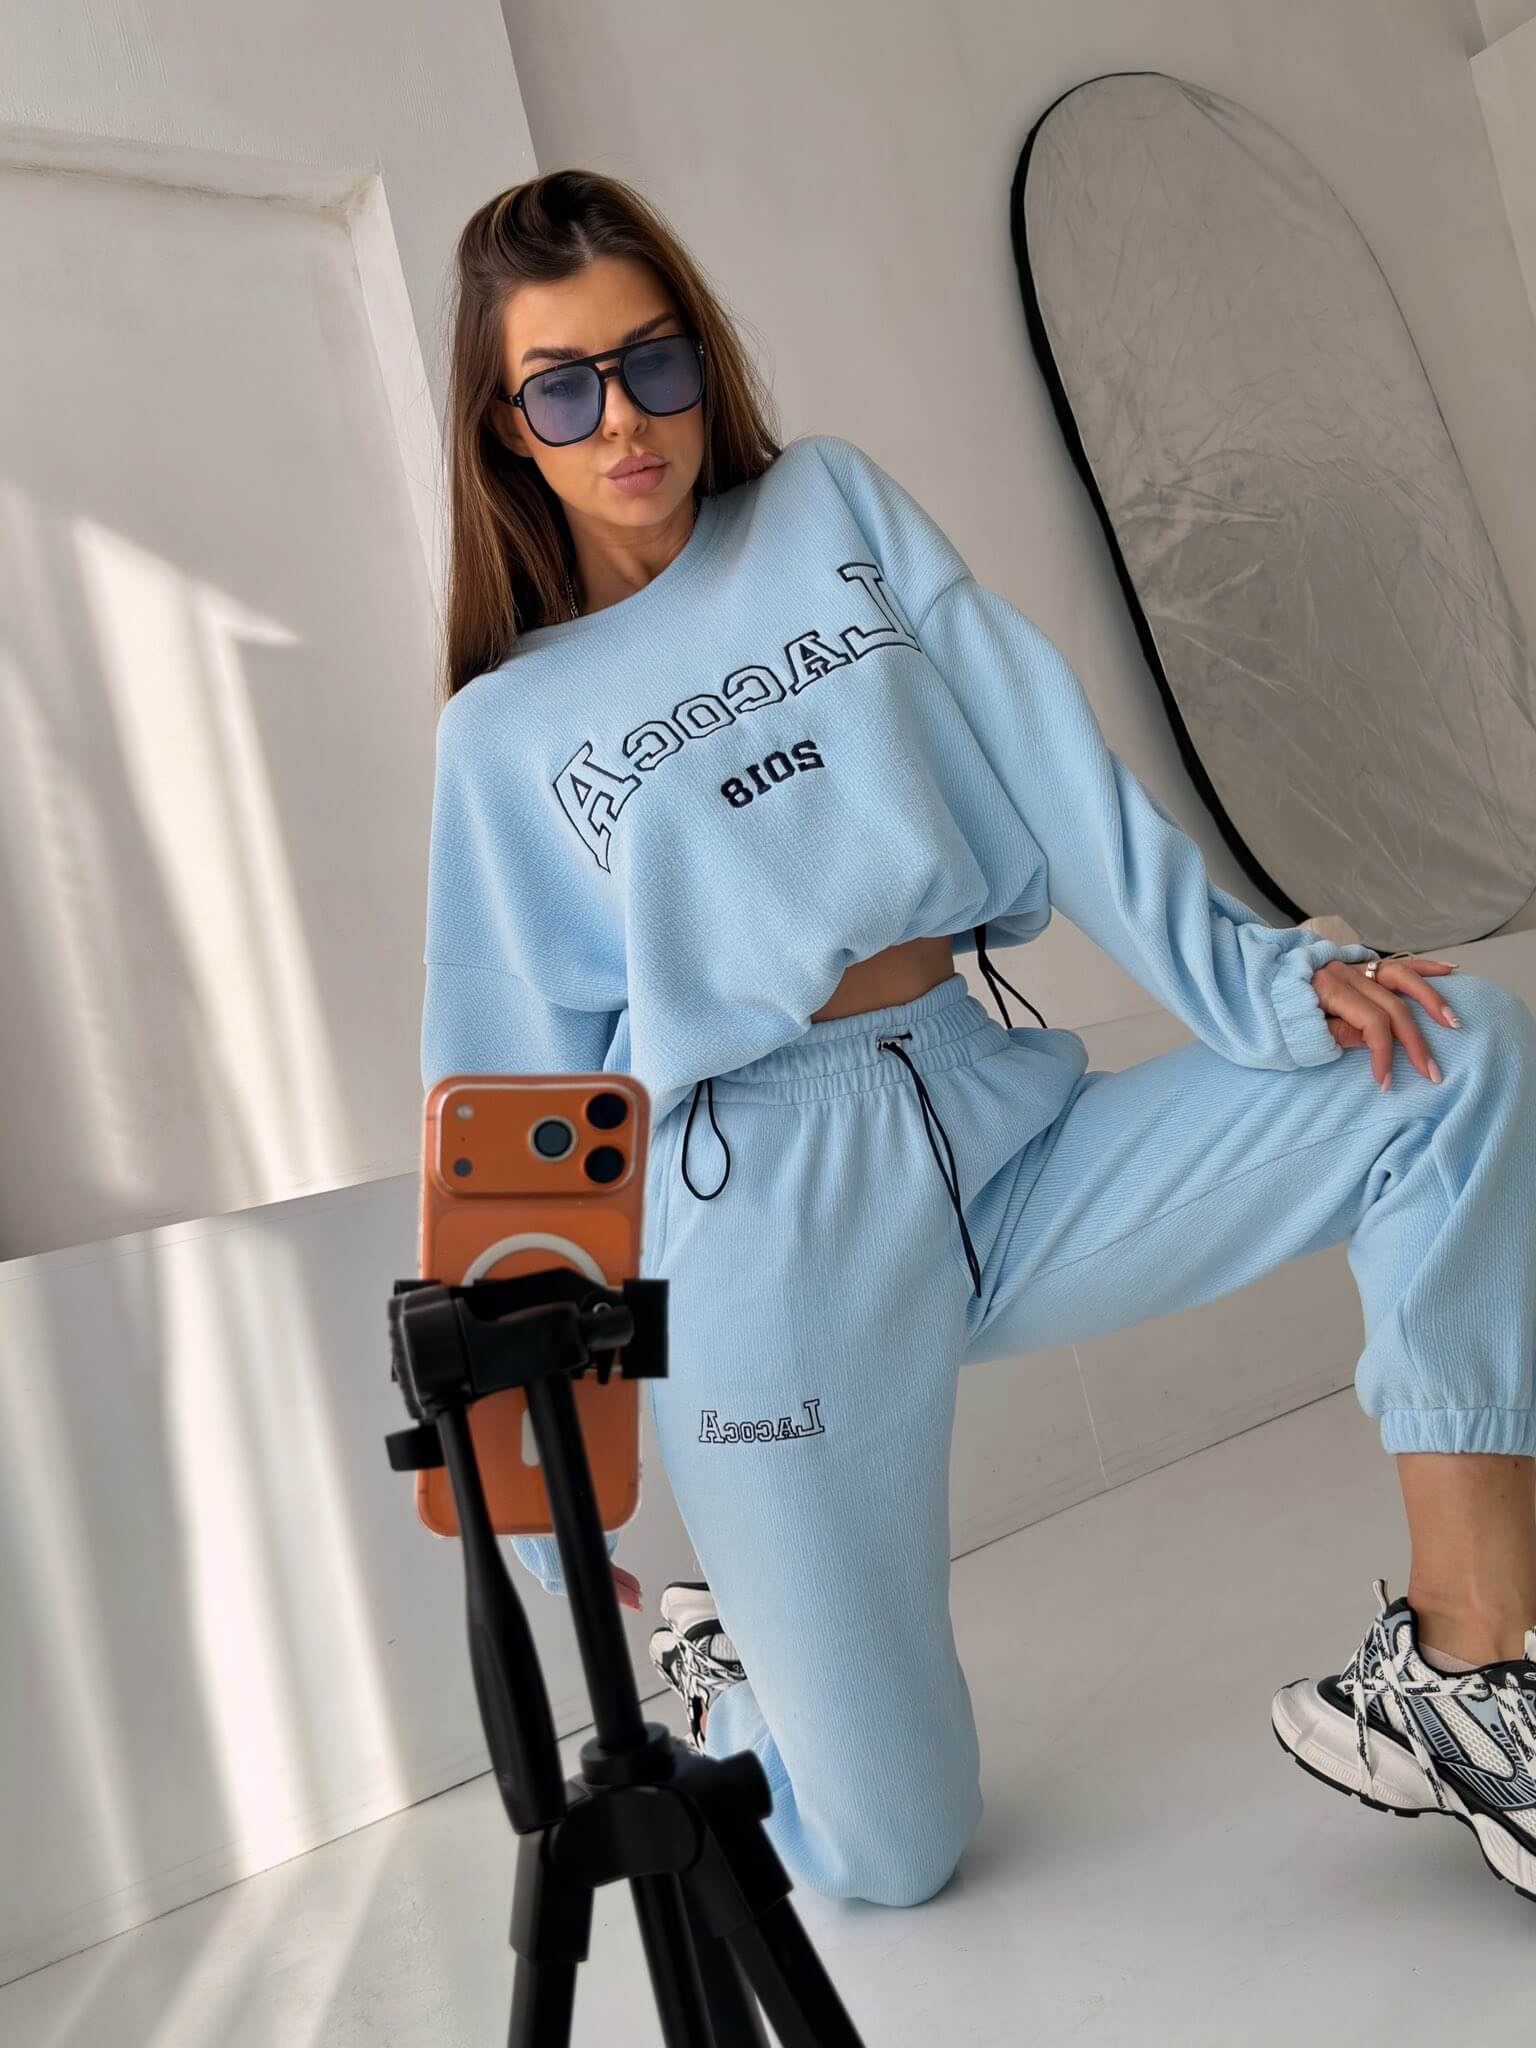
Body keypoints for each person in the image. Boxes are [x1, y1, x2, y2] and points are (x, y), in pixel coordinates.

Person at [419, 168, 1536, 1911]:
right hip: (763, 1239)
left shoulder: (828, 509)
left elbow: (1047, 756)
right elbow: (509, 1085)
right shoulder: (504, 729)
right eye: (563, 389)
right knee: (894, 1852)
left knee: (1448, 1060)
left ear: (702, 358)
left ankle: (1462, 1669)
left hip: (991, 1123)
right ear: (506, 428)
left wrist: (1257, 980)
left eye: (654, 363)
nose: (623, 420)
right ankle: (750, 1666)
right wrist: (528, 1482)